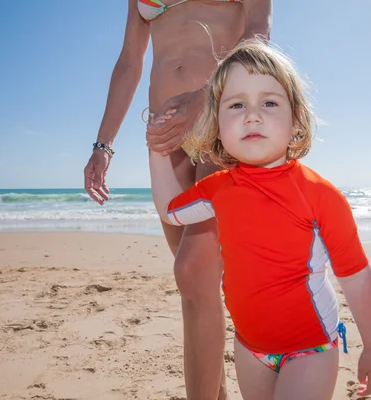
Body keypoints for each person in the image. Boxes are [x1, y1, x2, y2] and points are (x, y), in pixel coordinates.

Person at [149, 39, 371, 400]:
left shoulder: (320, 196)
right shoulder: (218, 189)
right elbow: (171, 210)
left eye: (270, 102)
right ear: (217, 125)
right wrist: (157, 150)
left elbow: (354, 275)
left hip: (310, 349)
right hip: (249, 348)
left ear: (296, 121)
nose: (252, 114)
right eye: (237, 104)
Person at [83, 1, 272, 398]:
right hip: (165, 139)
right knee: (197, 288)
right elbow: (129, 63)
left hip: (223, 120)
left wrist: (206, 97)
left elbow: (257, 34)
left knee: (191, 269)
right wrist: (104, 144)